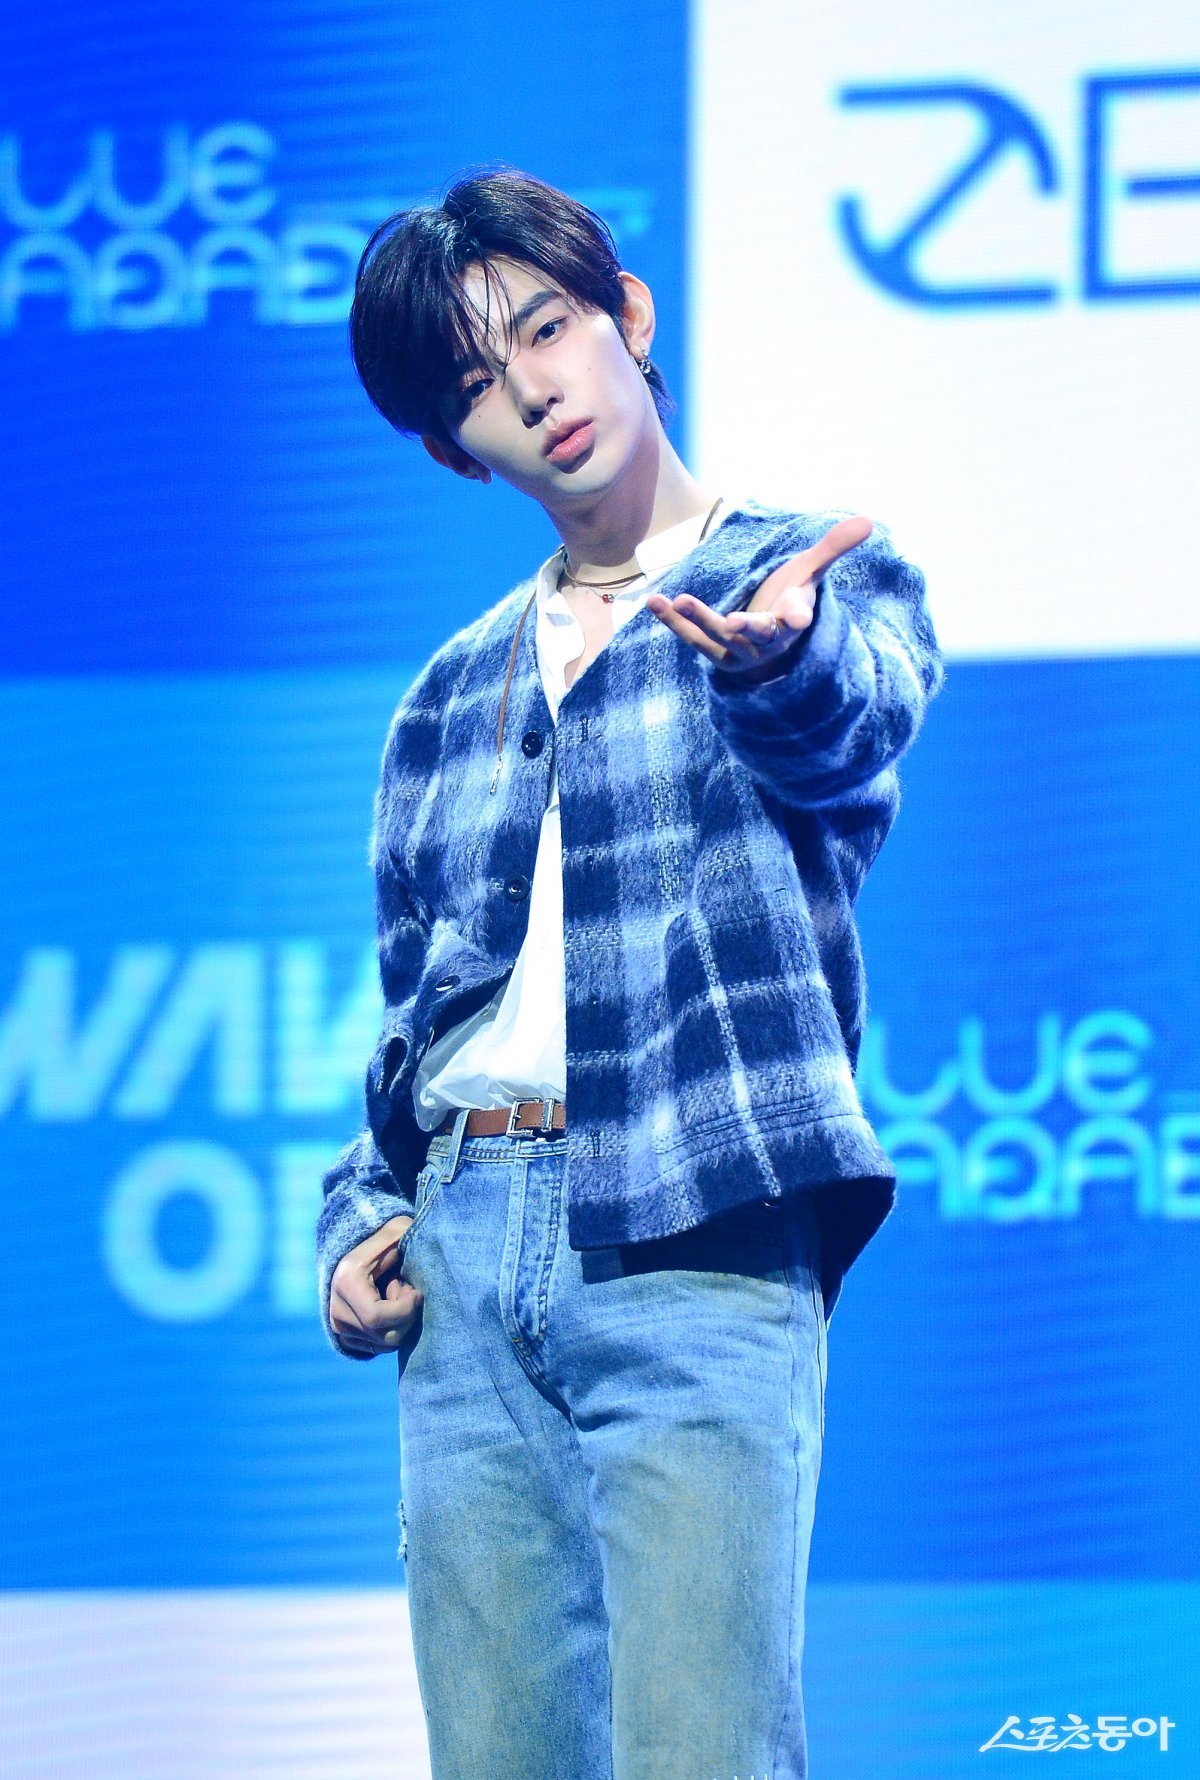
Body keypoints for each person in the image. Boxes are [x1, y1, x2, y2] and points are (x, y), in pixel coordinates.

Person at [316, 164, 944, 1779]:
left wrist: (783, 661)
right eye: (477, 383)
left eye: (545, 329)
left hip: (697, 1222)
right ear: (457, 448)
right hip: (465, 1255)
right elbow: (416, 1011)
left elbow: (849, 731)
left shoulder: (802, 576)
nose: (533, 389)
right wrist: (365, 1208)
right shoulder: (447, 692)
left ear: (629, 318)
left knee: (703, 1752)